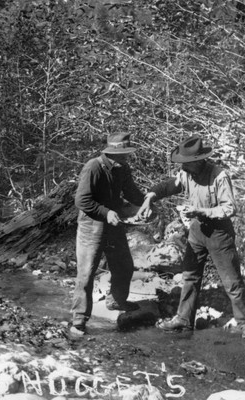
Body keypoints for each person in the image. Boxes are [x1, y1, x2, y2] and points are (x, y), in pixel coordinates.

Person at [136, 135, 245, 340]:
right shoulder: (186, 174)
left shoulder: (219, 176)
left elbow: (230, 208)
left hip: (219, 233)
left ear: (199, 161)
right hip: (197, 231)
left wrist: (201, 211)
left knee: (231, 281)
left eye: (186, 163)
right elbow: (169, 185)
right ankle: (183, 319)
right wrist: (150, 196)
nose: (182, 167)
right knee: (190, 276)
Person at [70, 132, 145, 337]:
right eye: (123, 154)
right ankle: (79, 320)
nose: (126, 158)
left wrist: (147, 203)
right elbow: (82, 201)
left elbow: (131, 192)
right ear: (111, 153)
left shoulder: (122, 168)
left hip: (114, 224)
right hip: (91, 226)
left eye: (126, 154)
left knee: (124, 265)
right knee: (86, 273)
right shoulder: (93, 167)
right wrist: (106, 212)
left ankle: (116, 301)